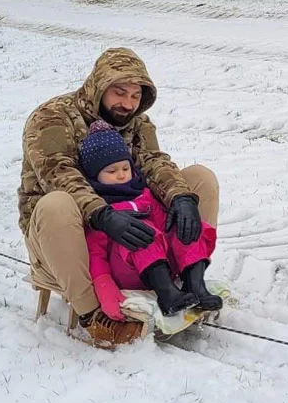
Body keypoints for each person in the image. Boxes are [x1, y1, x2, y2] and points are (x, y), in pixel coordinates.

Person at [19, 47, 221, 348]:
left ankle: (185, 278)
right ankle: (95, 316)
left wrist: (181, 197)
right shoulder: (52, 117)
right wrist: (102, 215)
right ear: (99, 85)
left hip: (131, 234)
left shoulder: (136, 122)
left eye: (135, 96)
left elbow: (154, 162)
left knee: (198, 180)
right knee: (56, 204)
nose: (127, 103)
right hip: (67, 239)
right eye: (119, 92)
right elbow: (59, 174)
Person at [78, 120, 216, 320]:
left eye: (125, 168)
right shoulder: (101, 209)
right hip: (128, 271)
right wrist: (103, 284)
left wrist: (179, 226)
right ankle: (167, 295)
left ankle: (196, 286)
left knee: (186, 225)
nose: (120, 175)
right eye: (111, 171)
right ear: (95, 176)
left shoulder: (144, 193)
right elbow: (95, 253)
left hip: (164, 264)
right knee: (142, 231)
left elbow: (164, 224)